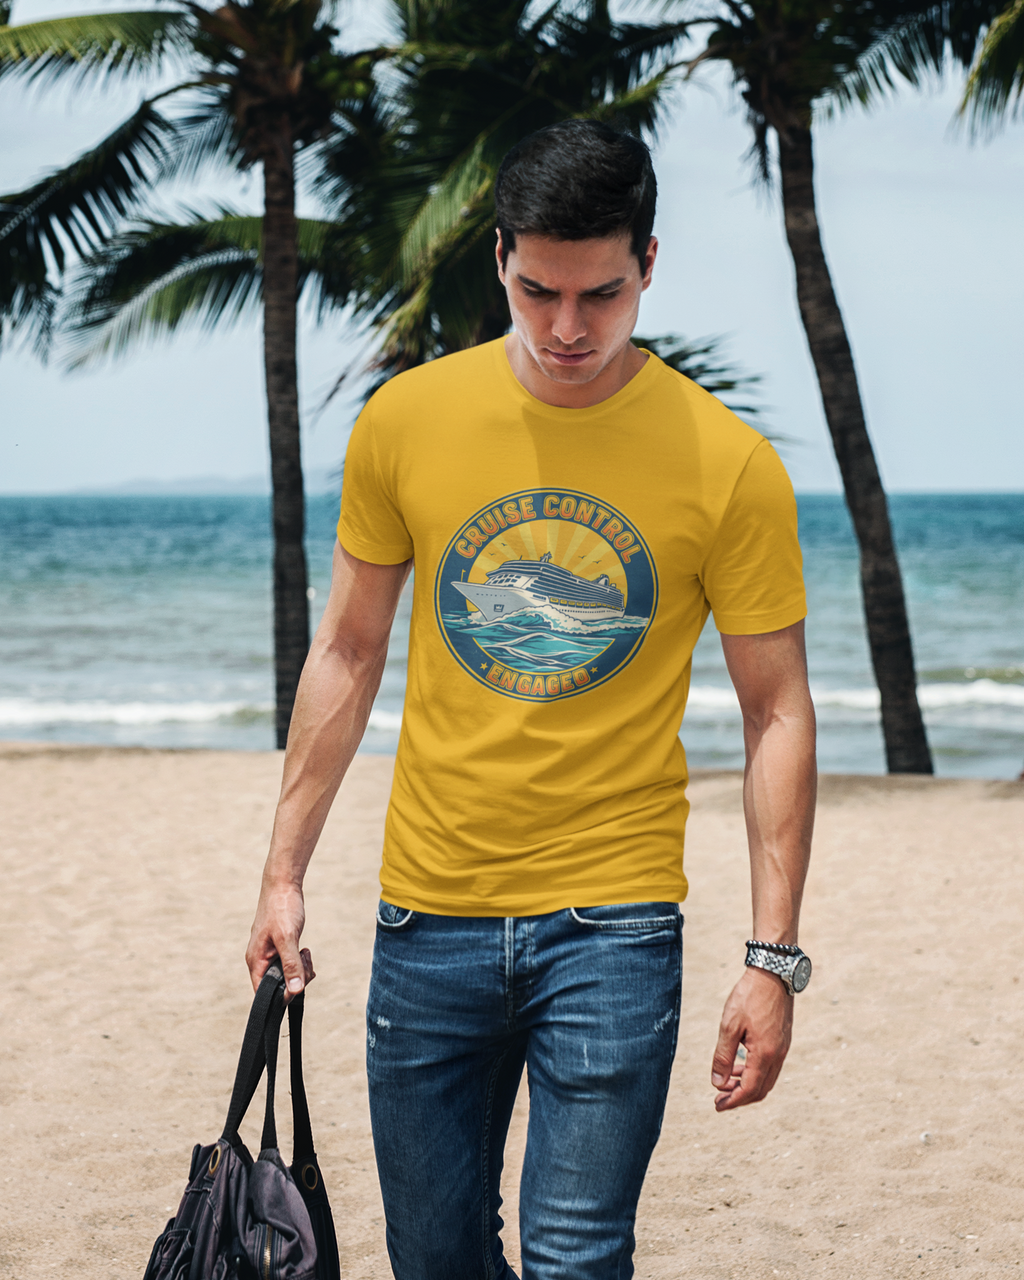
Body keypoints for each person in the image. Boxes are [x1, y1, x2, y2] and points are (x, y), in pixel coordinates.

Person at [246, 119, 816, 1280]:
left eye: (601, 293)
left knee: (572, 1254)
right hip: (428, 919)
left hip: (613, 921)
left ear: (648, 262)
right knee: (438, 1256)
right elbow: (349, 653)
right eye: (538, 289)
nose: (567, 327)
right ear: (498, 256)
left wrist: (773, 953)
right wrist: (282, 871)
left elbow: (777, 712)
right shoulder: (407, 421)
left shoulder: (728, 464)